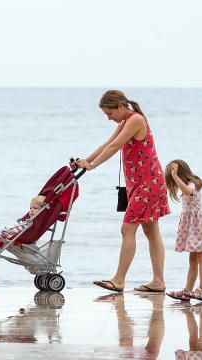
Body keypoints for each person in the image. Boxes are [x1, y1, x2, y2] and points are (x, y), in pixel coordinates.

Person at [72, 90, 170, 294]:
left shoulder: (135, 120)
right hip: (139, 184)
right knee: (151, 231)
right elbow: (106, 145)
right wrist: (84, 162)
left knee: (127, 229)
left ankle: (119, 280)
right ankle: (158, 282)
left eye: (109, 113)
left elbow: (116, 146)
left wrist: (94, 166)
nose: (108, 118)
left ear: (120, 106)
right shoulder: (124, 123)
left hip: (148, 183)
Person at [164, 160, 202, 302]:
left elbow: (188, 191)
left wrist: (174, 176)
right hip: (193, 227)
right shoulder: (187, 184)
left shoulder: (192, 183)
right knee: (192, 259)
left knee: (201, 258)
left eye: (173, 177)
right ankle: (188, 290)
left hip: (200, 226)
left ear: (180, 174)